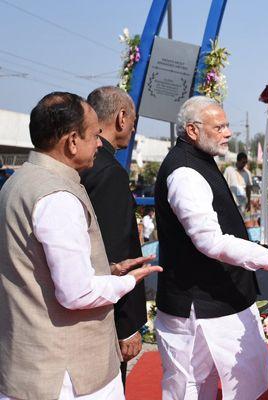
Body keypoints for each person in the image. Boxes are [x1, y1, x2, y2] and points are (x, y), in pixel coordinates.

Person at [153, 96, 268, 399]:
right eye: (219, 127)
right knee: (189, 386)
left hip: (220, 299)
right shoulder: (185, 173)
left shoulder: (200, 161)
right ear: (193, 131)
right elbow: (209, 241)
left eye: (227, 125)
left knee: (241, 378)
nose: (228, 133)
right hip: (199, 305)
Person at [0, 92, 161, 400]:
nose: (99, 144)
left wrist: (108, 268)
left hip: (30, 363)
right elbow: (76, 293)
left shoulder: (20, 181)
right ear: (73, 141)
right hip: (64, 373)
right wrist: (124, 282)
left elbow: (38, 266)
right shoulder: (56, 196)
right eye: (93, 135)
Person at [79, 86, 149, 389]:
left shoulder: (83, 167)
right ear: (122, 117)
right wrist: (126, 326)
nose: (133, 127)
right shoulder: (109, 172)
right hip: (105, 317)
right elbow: (116, 256)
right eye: (134, 120)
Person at [223, 152, 252, 216]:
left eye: (245, 162)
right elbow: (223, 186)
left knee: (241, 222)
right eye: (243, 162)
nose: (244, 164)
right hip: (231, 203)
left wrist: (249, 202)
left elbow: (248, 188)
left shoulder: (247, 173)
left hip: (242, 204)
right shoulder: (229, 171)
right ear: (238, 161)